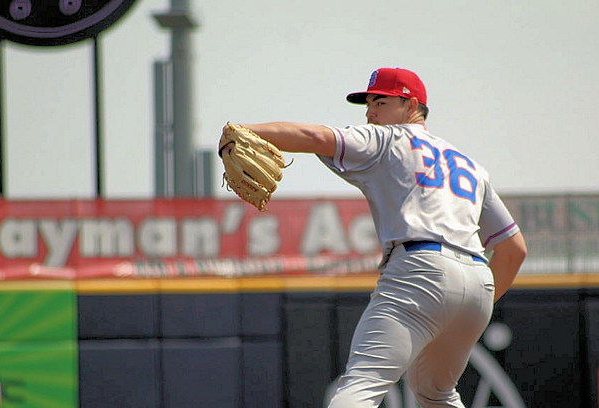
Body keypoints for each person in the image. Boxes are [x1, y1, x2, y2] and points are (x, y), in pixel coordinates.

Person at [223, 67, 527, 407]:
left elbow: (314, 137)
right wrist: (468, 305)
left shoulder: (389, 139)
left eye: (379, 102)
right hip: (478, 282)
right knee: (436, 392)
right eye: (367, 104)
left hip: (421, 270)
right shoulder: (471, 166)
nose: (370, 113)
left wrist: (244, 131)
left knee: (362, 383)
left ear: (410, 105)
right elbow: (513, 249)